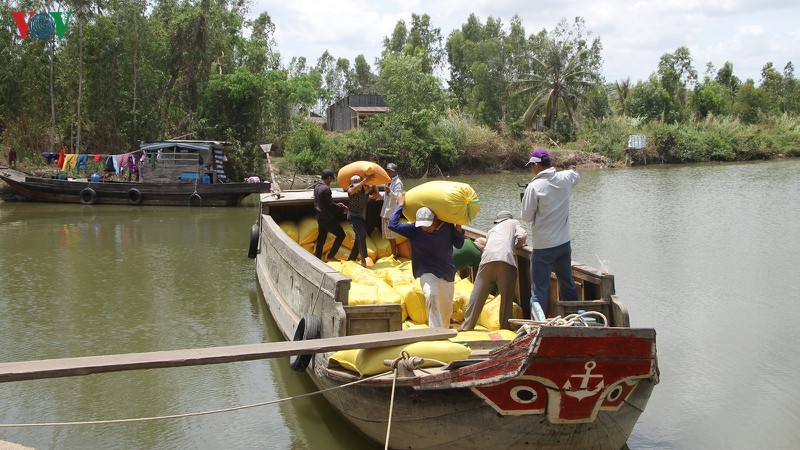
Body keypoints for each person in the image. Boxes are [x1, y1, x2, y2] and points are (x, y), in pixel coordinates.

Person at [520, 148, 580, 320]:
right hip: (563, 244)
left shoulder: (534, 187)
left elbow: (526, 217)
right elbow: (576, 176)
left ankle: (538, 326)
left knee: (539, 289)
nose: (532, 168)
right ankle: (574, 320)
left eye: (532, 166)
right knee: (567, 283)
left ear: (537, 165)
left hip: (543, 247)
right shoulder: (565, 177)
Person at [389, 198, 465, 329]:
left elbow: (459, 244)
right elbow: (392, 224)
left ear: (435, 219)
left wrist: (458, 225)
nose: (425, 228)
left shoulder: (447, 227)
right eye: (422, 225)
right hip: (426, 271)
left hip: (446, 273)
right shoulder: (414, 230)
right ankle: (435, 333)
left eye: (428, 224)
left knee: (446, 312)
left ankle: (444, 332)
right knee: (431, 294)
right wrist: (400, 206)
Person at [460, 211, 527, 331]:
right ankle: (504, 327)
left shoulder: (491, 230)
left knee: (478, 294)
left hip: (487, 259)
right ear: (509, 219)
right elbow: (522, 236)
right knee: (506, 297)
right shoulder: (513, 222)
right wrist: (517, 246)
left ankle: (467, 326)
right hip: (505, 259)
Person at [313, 169, 348, 261]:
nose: (331, 181)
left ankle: (317, 258)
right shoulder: (326, 189)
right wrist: (342, 208)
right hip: (327, 218)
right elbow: (330, 204)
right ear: (328, 178)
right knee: (341, 235)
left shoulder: (317, 186)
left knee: (321, 239)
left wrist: (337, 204)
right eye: (332, 179)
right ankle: (331, 256)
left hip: (320, 217)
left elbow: (325, 202)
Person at [347, 173, 381, 266]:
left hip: (361, 218)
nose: (355, 186)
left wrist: (374, 184)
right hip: (353, 217)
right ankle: (363, 260)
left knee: (358, 238)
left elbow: (377, 196)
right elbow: (351, 190)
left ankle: (351, 259)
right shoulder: (351, 190)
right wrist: (365, 180)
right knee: (362, 235)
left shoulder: (365, 191)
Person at [380, 163, 403, 256]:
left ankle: (394, 255)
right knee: (388, 236)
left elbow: (398, 197)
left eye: (391, 171)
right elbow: (386, 196)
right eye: (387, 171)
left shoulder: (398, 182)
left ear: (395, 172)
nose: (389, 172)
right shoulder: (388, 181)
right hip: (386, 211)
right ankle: (392, 254)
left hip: (391, 212)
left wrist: (389, 191)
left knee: (392, 236)